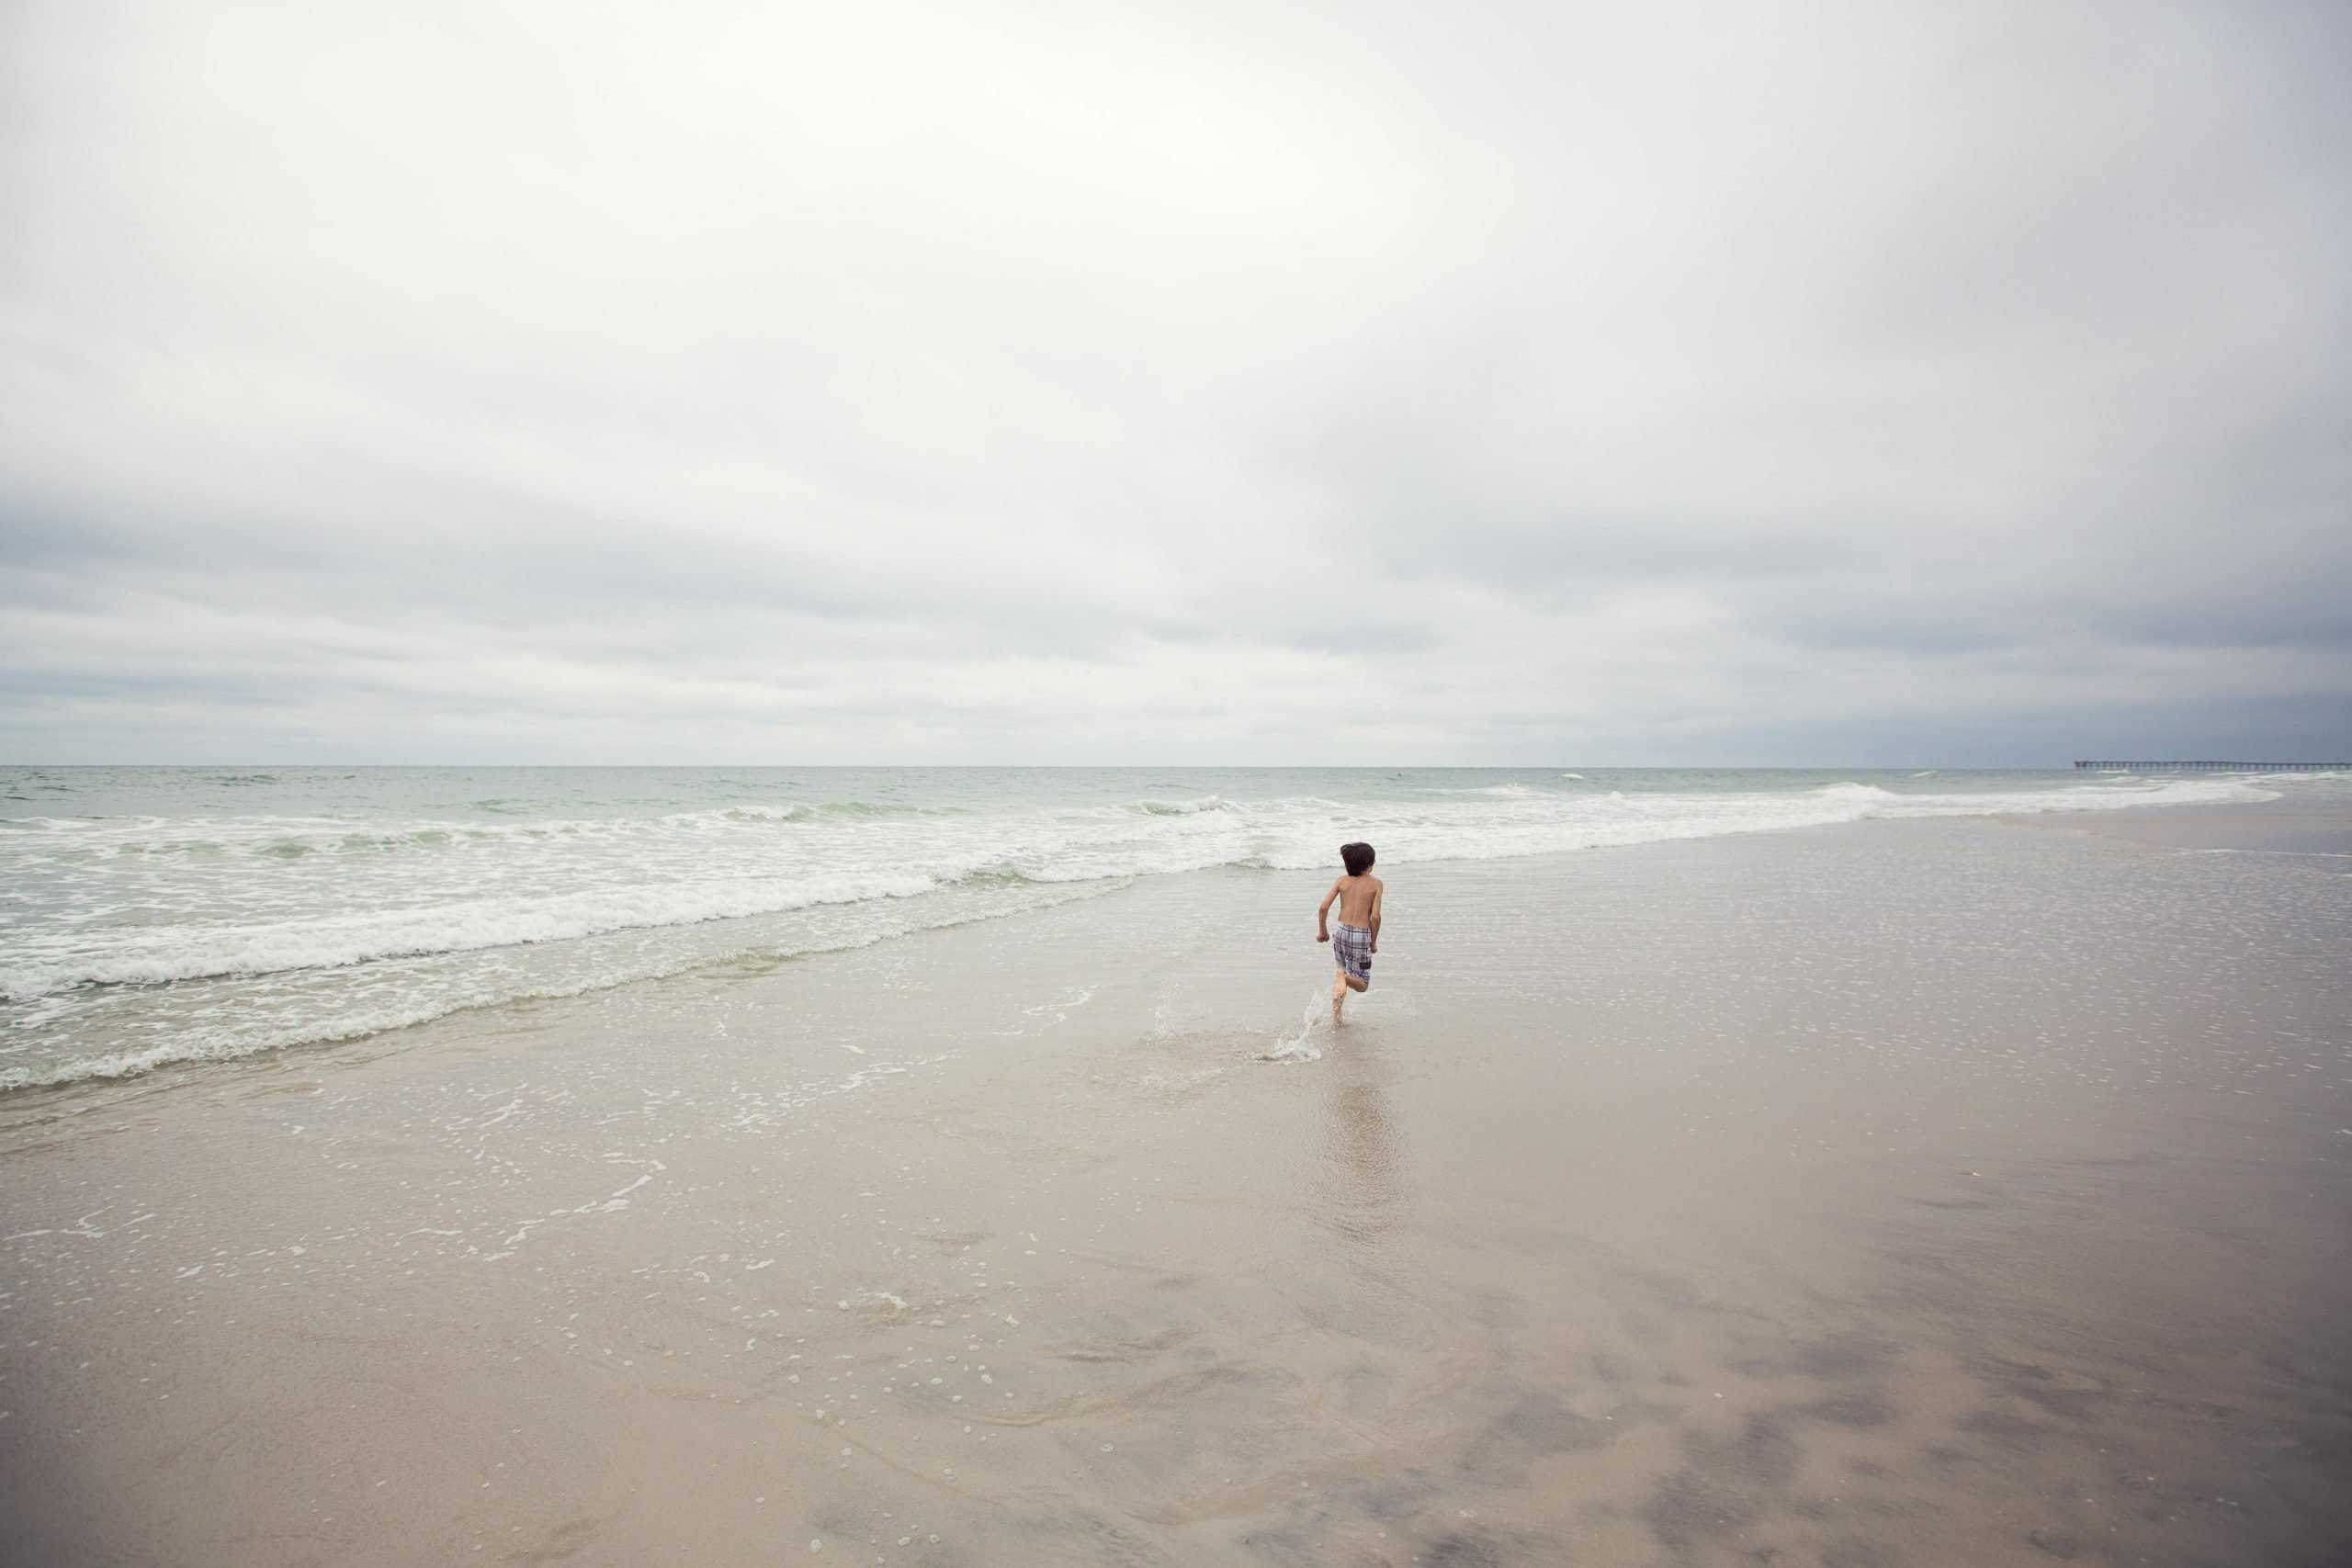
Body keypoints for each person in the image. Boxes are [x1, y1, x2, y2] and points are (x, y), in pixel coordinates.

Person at [1317, 841, 1383, 1025]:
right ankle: (1343, 978)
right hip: (1360, 936)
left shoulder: (1342, 880)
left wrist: (1323, 931)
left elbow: (1323, 907)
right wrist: (1373, 942)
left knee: (1342, 974)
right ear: (1369, 864)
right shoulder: (1376, 884)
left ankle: (1336, 1018)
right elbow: (1375, 917)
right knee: (1361, 984)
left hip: (1341, 931)